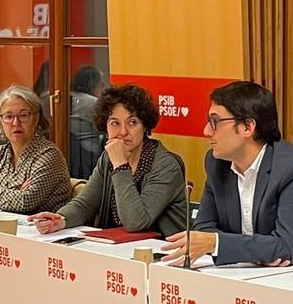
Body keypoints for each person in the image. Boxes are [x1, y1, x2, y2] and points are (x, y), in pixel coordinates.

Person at [160, 81, 293, 272]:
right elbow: (204, 229)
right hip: (259, 277)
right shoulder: (216, 163)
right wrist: (259, 250)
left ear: (247, 127)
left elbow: (285, 247)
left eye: (215, 122)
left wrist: (217, 243)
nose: (206, 131)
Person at [31, 84, 188, 237]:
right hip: (116, 250)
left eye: (132, 123)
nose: (123, 132)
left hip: (161, 253)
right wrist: (60, 220)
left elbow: (136, 222)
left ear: (145, 127)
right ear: (105, 127)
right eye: (115, 123)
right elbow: (85, 204)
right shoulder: (108, 158)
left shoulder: (166, 165)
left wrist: (120, 165)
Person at [0, 85, 72, 214]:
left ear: (36, 118)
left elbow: (25, 202)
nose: (16, 123)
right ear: (0, 121)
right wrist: (14, 194)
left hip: (43, 231)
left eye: (23, 115)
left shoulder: (49, 155)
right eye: (9, 117)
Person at [68, 65, 105, 179]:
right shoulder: (93, 102)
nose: (102, 87)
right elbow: (100, 128)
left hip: (67, 150)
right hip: (91, 154)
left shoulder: (66, 97)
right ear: (93, 84)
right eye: (101, 84)